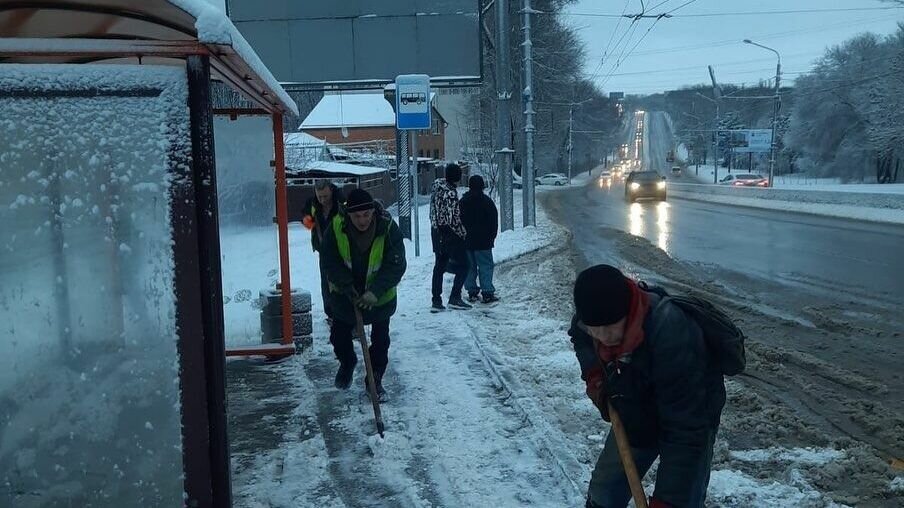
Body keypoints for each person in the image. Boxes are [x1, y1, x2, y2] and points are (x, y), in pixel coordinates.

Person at [569, 265, 726, 508]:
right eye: (595, 330)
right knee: (603, 494)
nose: (603, 337)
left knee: (679, 500)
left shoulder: (670, 331)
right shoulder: (591, 319)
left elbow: (685, 431)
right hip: (636, 404)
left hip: (691, 416)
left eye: (610, 328)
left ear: (627, 312)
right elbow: (582, 339)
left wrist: (669, 501)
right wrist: (595, 375)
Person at [320, 189, 406, 399]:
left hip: (380, 298)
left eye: (366, 215)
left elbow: (396, 263)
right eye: (357, 216)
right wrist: (347, 286)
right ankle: (347, 363)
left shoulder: (387, 227)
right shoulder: (337, 228)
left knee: (381, 341)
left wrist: (375, 292)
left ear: (373, 212)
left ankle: (374, 379)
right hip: (346, 297)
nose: (362, 220)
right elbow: (329, 260)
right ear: (348, 214)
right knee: (339, 337)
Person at [429, 163, 470, 311]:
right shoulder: (451, 193)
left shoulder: (436, 188)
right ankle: (455, 297)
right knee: (465, 265)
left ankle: (436, 300)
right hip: (449, 234)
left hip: (436, 232)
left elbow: (434, 212)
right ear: (457, 177)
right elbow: (453, 219)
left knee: (439, 266)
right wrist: (463, 233)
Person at [302, 180, 344, 321]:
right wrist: (307, 220)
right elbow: (305, 215)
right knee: (326, 283)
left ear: (331, 190)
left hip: (342, 250)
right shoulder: (313, 204)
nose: (323, 200)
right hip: (324, 251)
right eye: (320, 196)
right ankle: (331, 314)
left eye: (325, 196)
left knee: (341, 282)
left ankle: (344, 312)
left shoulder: (341, 203)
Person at [459, 175, 499, 304]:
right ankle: (487, 292)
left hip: (467, 242)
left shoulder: (463, 202)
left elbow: (458, 221)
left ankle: (472, 292)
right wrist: (491, 237)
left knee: (470, 267)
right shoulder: (487, 202)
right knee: (485, 266)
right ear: (482, 186)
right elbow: (493, 221)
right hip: (483, 242)